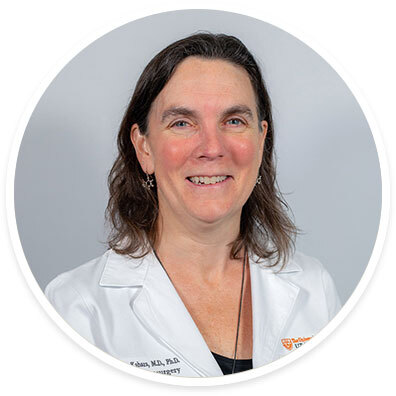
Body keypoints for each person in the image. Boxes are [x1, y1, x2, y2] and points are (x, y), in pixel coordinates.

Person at [45, 33, 341, 377]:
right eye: (182, 123)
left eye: (234, 121)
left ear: (261, 140)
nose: (211, 147)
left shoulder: (314, 287)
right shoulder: (77, 307)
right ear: (144, 148)